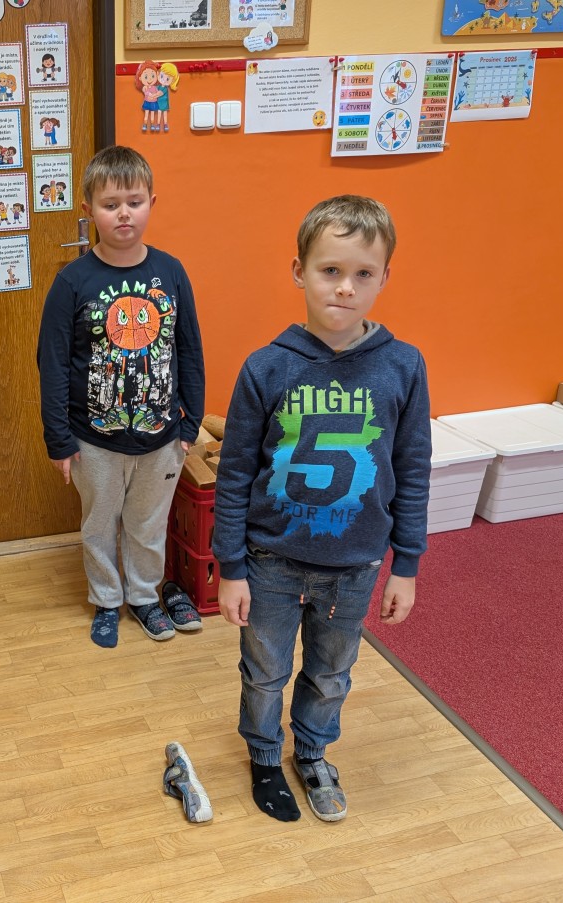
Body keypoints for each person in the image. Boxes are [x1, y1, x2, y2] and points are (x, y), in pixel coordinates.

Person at [212, 195, 430, 824]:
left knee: (331, 673)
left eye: (363, 273)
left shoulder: (403, 366)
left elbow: (413, 470)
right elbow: (234, 475)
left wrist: (407, 564)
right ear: (299, 271)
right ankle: (263, 755)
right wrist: (231, 568)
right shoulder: (266, 367)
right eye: (330, 270)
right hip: (271, 562)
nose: (345, 288)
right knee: (264, 671)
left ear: (384, 278)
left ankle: (311, 753)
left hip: (355, 565)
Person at [36, 145, 206, 648]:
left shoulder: (171, 272)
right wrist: (58, 439)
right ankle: (107, 600)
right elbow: (52, 364)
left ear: (152, 202)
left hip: (162, 435)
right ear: (88, 210)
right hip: (93, 439)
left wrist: (191, 422)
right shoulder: (72, 282)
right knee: (99, 524)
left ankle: (145, 598)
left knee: (147, 525)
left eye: (134, 202)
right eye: (111, 204)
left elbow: (190, 349)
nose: (124, 213)